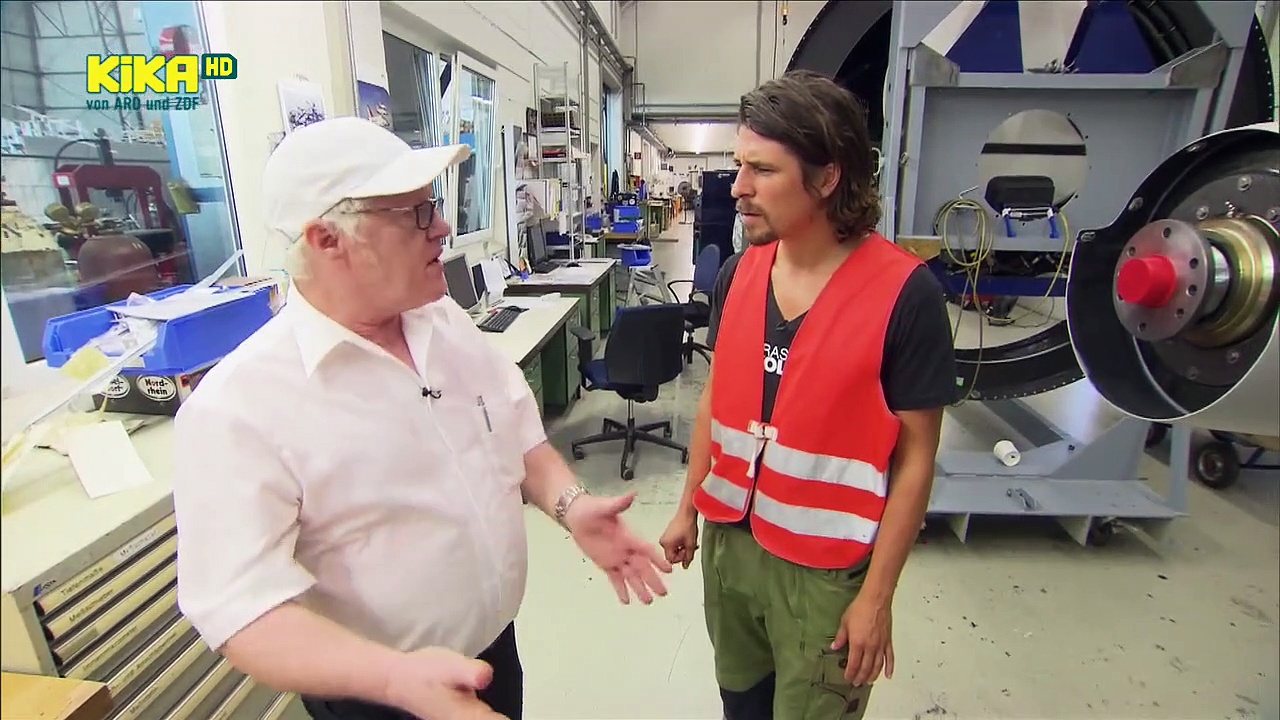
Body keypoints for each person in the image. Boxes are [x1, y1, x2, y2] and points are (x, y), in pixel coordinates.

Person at [171, 117, 673, 720]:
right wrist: (395, 680)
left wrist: (571, 506)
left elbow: (516, 432)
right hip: (383, 694)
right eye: (414, 214)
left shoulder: (444, 323)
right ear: (327, 239)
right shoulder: (239, 408)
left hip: (494, 654)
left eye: (433, 205)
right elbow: (241, 610)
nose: (442, 227)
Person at [659, 70, 957, 720]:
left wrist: (876, 597)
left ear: (827, 179)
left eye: (762, 170)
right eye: (739, 164)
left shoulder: (906, 296)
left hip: (826, 572)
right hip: (731, 550)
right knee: (742, 706)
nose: (738, 186)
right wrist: (687, 508)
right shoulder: (740, 274)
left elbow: (916, 462)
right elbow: (717, 399)